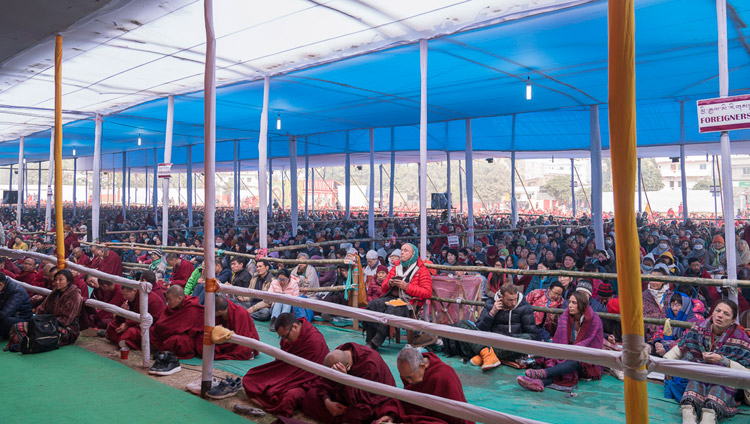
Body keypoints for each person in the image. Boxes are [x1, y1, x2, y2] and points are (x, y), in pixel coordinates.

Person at [665, 300, 750, 424]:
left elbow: (747, 371)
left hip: (727, 379)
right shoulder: (699, 328)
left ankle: (710, 414)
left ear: (733, 320)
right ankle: (688, 412)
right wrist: (665, 365)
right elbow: (680, 347)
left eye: (726, 314)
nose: (720, 315)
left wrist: (723, 361)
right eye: (718, 311)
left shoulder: (741, 339)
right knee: (693, 389)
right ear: (713, 313)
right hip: (700, 374)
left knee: (714, 400)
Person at [241, 313, 329, 417]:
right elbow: (282, 364)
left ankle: (268, 404)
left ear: (295, 327)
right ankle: (269, 402)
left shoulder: (314, 341)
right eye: (281, 337)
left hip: (306, 380)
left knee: (289, 397)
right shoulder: (288, 337)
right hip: (287, 373)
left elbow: (312, 374)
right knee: (249, 378)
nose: (285, 341)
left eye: (286, 336)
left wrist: (281, 383)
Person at [517, 291, 603, 392]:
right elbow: (559, 342)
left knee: (576, 360)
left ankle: (543, 373)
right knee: (554, 360)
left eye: (574, 303)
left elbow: (589, 344)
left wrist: (571, 352)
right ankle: (540, 382)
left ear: (582, 304)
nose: (570, 305)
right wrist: (565, 354)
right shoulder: (565, 317)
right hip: (565, 353)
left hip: (586, 360)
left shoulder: (594, 320)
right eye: (569, 302)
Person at [374, 346, 473, 424]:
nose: (408, 382)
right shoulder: (412, 371)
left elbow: (456, 416)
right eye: (404, 378)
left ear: (422, 366)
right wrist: (391, 415)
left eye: (410, 377)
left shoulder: (444, 376)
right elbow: (407, 401)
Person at [301, 343, 396, 423]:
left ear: (348, 367)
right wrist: (327, 402)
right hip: (340, 394)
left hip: (362, 399)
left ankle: (341, 418)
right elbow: (324, 382)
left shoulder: (370, 364)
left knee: (362, 413)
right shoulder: (338, 352)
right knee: (311, 396)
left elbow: (366, 399)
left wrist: (345, 380)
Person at [364, 243, 434, 349]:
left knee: (391, 310)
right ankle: (369, 339)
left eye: (406, 251)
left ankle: (375, 342)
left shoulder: (422, 270)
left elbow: (427, 292)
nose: (402, 252)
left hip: (409, 303)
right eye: (401, 250)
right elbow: (383, 287)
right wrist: (390, 283)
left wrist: (407, 287)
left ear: (413, 254)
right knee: (372, 304)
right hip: (392, 298)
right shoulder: (396, 267)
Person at [7, 269, 84, 349]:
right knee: (18, 326)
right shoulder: (54, 293)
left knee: (37, 332)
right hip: (47, 323)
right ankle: (25, 344)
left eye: (61, 280)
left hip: (65, 328)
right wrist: (37, 321)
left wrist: (44, 323)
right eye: (55, 280)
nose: (57, 282)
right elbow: (42, 308)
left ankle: (28, 345)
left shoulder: (75, 296)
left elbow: (66, 320)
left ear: (68, 281)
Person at [150, 285, 204, 373]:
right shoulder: (173, 306)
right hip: (171, 332)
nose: (168, 302)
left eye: (169, 300)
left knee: (176, 340)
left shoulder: (191, 308)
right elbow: (163, 322)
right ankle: (163, 351)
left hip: (186, 338)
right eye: (167, 299)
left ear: (179, 298)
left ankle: (168, 356)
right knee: (151, 331)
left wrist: (164, 327)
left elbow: (185, 329)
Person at [105, 280, 166, 351]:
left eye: (126, 294)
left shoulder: (151, 300)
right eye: (123, 295)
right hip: (134, 322)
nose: (124, 297)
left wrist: (128, 324)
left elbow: (149, 320)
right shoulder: (132, 298)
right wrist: (125, 311)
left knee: (131, 332)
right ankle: (126, 342)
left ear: (134, 290)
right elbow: (125, 317)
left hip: (150, 326)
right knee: (112, 325)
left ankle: (126, 342)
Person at [213, 295, 259, 360]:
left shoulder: (240, 313)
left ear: (219, 312)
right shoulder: (221, 308)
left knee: (244, 350)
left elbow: (243, 336)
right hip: (225, 337)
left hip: (236, 340)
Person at [0, 273, 33, 339]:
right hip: (9, 316)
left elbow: (5, 313)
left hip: (22, 319)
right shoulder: (3, 288)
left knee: (6, 320)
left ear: (0, 284)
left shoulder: (16, 291)